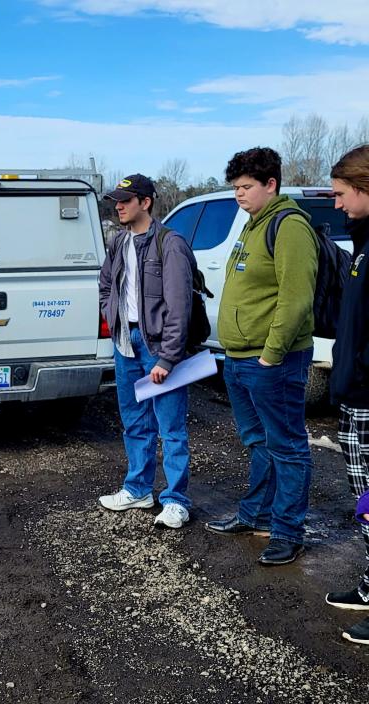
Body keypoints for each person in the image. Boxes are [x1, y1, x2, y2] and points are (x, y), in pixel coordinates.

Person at [205, 147, 318, 566]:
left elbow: (295, 298)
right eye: (235, 187)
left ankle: (288, 532)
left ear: (271, 184)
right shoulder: (252, 224)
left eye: (247, 187)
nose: (239, 194)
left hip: (273, 362)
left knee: (287, 447)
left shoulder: (288, 227)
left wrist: (271, 355)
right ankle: (256, 514)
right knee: (258, 442)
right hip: (238, 358)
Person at [98, 174, 195, 529]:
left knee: (170, 426)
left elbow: (179, 306)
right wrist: (111, 313)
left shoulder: (170, 244)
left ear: (146, 202)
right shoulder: (118, 242)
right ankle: (138, 489)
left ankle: (176, 500)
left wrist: (168, 358)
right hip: (125, 343)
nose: (118, 206)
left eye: (126, 200)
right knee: (135, 422)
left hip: (157, 346)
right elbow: (105, 283)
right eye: (117, 200)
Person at [322, 145, 369, 643]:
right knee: (366, 501)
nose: (335, 204)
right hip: (356, 395)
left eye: (340, 194)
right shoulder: (361, 246)